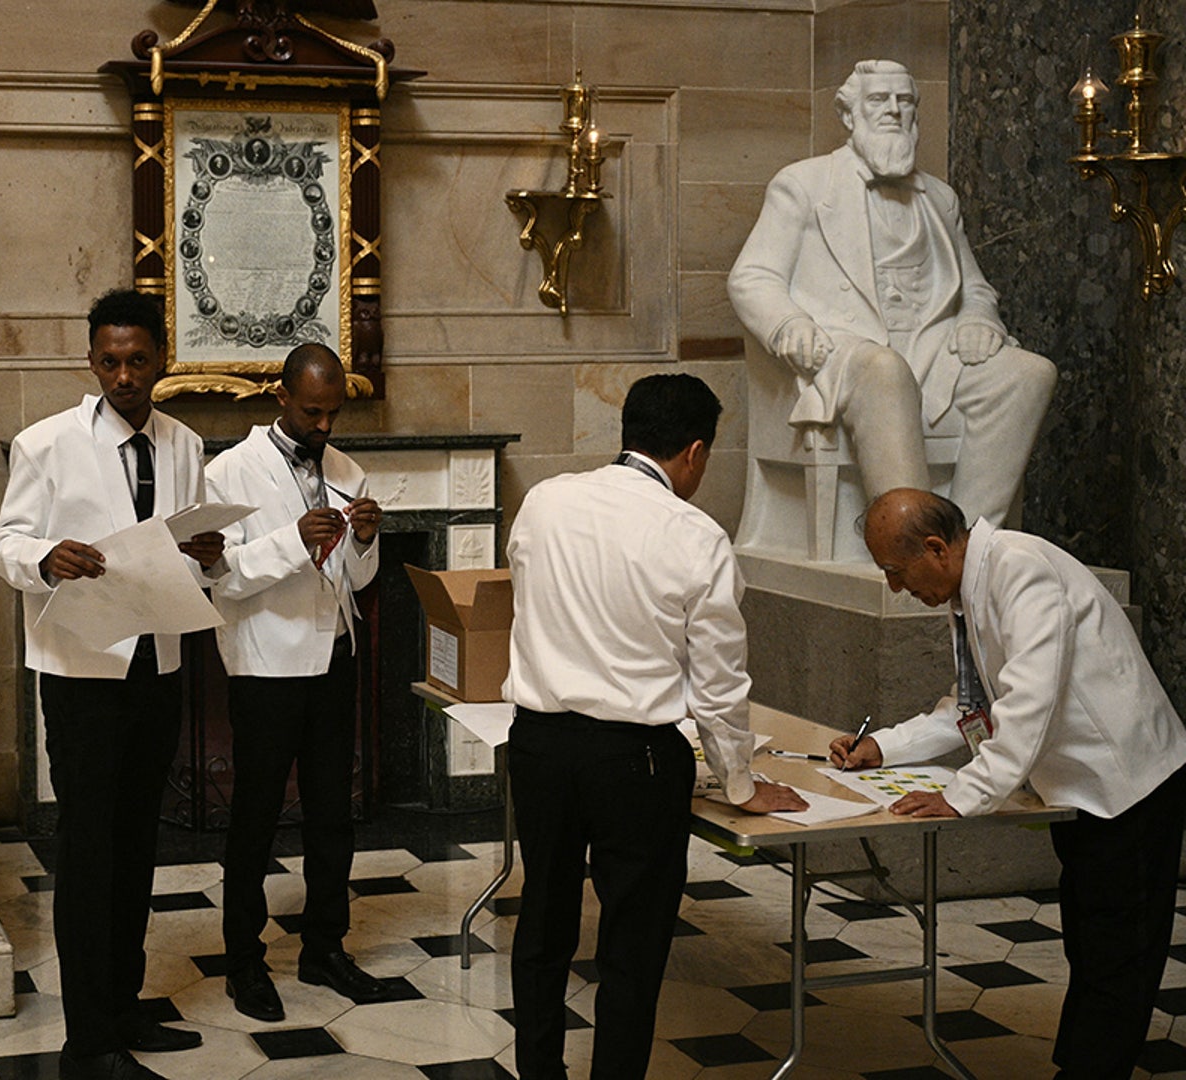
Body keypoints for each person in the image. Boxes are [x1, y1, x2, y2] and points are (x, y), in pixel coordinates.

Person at [503, 373, 806, 1080]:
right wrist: (740, 782)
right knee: (631, 949)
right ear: (695, 452)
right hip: (633, 758)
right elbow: (719, 684)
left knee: (542, 926)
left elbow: (530, 601)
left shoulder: (544, 502)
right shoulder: (696, 537)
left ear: (628, 430)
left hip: (540, 744)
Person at [832, 488, 1186, 1080]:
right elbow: (972, 708)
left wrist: (958, 797)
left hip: (1129, 788)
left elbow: (1027, 706)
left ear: (936, 548)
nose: (896, 588)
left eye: (895, 572)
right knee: (1093, 947)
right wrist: (882, 747)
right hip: (1081, 793)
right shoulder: (975, 587)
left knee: (1116, 955)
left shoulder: (1021, 571)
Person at [0, 289, 224, 1080]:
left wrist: (209, 552)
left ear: (161, 361)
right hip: (83, 670)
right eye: (109, 361)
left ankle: (125, 1007)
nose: (124, 374)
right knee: (88, 852)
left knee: (137, 847)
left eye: (138, 360)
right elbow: (6, 543)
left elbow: (191, 546)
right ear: (92, 362)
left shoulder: (185, 443)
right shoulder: (46, 443)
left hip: (157, 664)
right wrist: (46, 555)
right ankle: (87, 1039)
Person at [728, 59, 1055, 530]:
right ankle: (913, 548)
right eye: (879, 100)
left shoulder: (940, 199)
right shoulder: (803, 184)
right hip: (846, 353)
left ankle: (972, 544)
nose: (893, 111)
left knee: (1028, 374)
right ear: (850, 115)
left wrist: (980, 319)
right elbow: (752, 277)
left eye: (904, 101)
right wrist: (789, 324)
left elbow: (975, 287)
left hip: (931, 350)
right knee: (885, 370)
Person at [204, 343, 389, 1022]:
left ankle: (324, 947)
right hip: (266, 666)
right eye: (313, 411)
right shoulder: (228, 472)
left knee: (332, 816)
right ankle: (244, 963)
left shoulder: (345, 467)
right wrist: (293, 540)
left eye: (334, 412)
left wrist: (365, 541)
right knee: (254, 819)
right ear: (280, 397)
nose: (326, 426)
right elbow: (219, 574)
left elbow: (359, 581)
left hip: (332, 659)